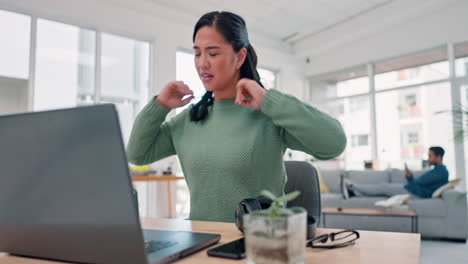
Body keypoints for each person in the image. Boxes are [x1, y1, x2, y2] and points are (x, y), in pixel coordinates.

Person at [126, 11, 347, 222]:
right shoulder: (190, 119)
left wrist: (268, 101)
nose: (202, 63)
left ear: (240, 56)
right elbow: (137, 154)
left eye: (212, 53)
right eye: (197, 53)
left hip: (259, 243)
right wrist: (160, 105)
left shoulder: (268, 115)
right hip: (201, 245)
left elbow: (334, 144)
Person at [341, 146, 449, 199]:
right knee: (382, 188)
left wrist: (411, 179)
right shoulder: (438, 170)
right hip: (412, 188)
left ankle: (352, 186)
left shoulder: (440, 171)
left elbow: (419, 182)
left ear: (438, 157)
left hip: (414, 191)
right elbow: (420, 182)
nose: (428, 158)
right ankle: (354, 192)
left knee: (383, 187)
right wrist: (410, 177)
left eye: (430, 156)